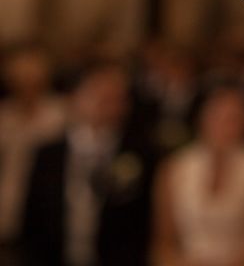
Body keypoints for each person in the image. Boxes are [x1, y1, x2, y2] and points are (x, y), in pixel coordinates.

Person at [21, 62, 155, 266]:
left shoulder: (140, 154)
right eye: (96, 95)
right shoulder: (49, 153)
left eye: (114, 98)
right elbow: (33, 217)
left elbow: (142, 222)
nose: (104, 104)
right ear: (75, 98)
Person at [153, 86, 244, 266]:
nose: (224, 127)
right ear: (202, 119)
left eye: (233, 119)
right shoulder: (175, 168)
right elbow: (164, 243)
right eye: (217, 117)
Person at [0, 47, 66, 262]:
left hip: (46, 216)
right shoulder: (4, 115)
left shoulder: (60, 115)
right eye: (20, 81)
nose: (26, 87)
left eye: (32, 80)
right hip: (7, 210)